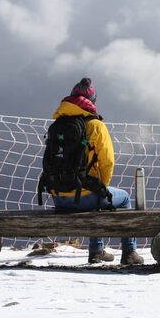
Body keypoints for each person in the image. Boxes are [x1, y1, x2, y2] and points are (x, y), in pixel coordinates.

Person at [49, 77, 143, 265]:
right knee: (122, 198)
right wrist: (102, 187)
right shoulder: (96, 126)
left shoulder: (58, 124)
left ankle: (98, 251)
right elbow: (107, 162)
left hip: (58, 196)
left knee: (96, 192)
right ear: (92, 101)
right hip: (84, 198)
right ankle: (129, 252)